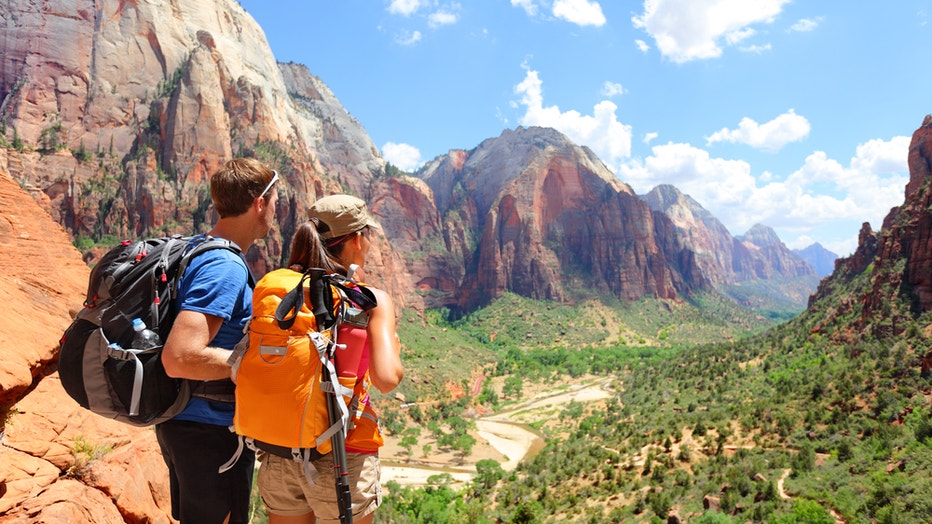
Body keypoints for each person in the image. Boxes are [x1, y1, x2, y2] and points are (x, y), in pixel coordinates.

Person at [258, 194, 404, 524]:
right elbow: (387, 379)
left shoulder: (279, 291)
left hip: (281, 450)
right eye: (368, 235)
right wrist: (393, 349)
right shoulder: (370, 300)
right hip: (344, 455)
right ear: (356, 239)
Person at [157, 157, 279, 524]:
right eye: (275, 201)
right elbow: (179, 356)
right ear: (260, 203)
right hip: (208, 432)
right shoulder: (225, 266)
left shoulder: (199, 248)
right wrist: (252, 364)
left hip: (188, 425)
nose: (276, 211)